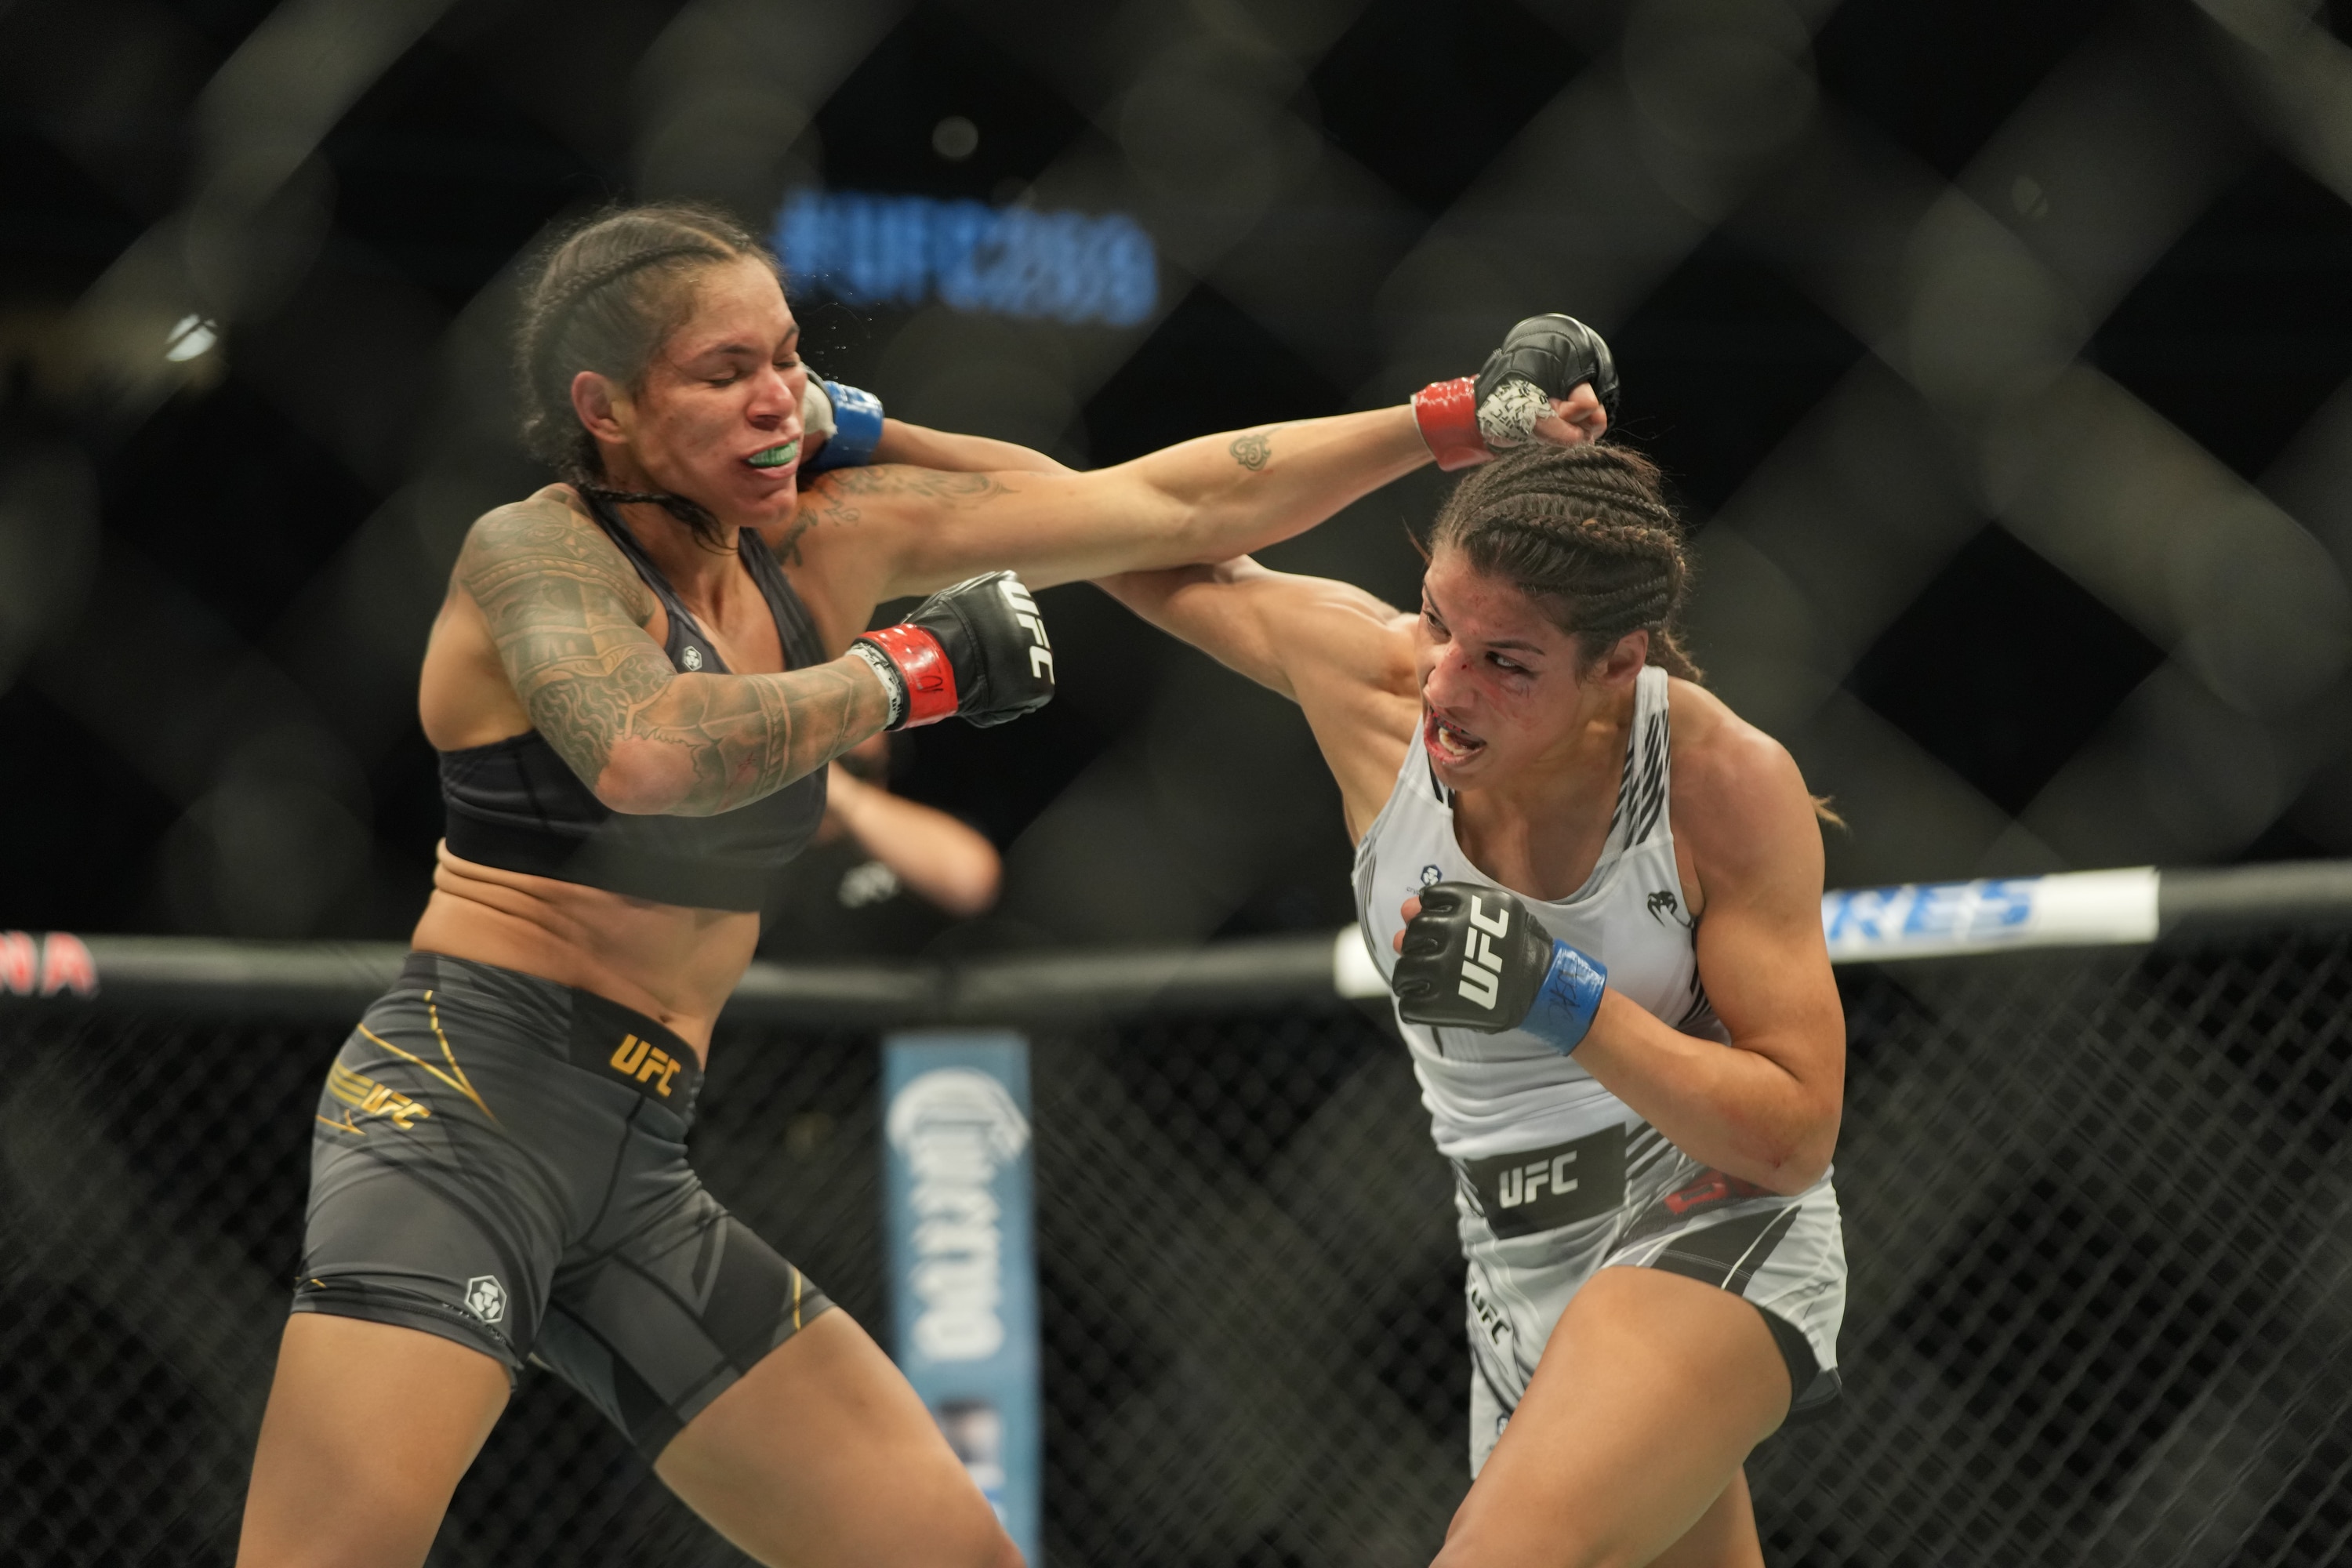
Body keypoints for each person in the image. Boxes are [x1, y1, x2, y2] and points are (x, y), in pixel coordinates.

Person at [233, 200, 1598, 1568]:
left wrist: (1458, 420)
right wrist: (910, 672)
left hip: (640, 1161)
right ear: (607, 410)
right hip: (462, 1113)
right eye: (724, 374)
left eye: (787, 358)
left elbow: (1163, 505)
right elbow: (649, 751)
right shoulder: (534, 558)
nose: (777, 399)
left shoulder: (825, 540)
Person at [1101, 320, 1847, 1568]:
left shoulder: (1720, 781)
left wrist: (1566, 998)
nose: (1451, 684)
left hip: (1708, 1222)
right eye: (1446, 624)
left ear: (1618, 664)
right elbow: (1119, 525)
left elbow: (1793, 1131)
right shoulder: (1385, 689)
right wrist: (871, 440)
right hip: (1515, 1279)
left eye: (1507, 662)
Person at [756, 733, 1003, 959]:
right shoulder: (757, 854)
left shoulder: (916, 833)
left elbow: (971, 884)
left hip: (909, 999)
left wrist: (841, 791)